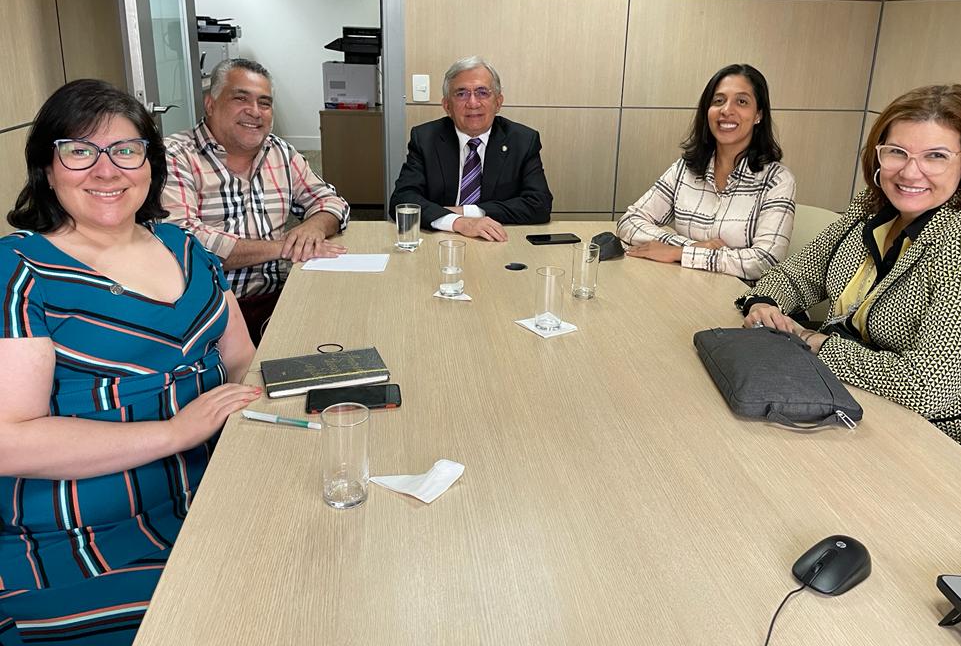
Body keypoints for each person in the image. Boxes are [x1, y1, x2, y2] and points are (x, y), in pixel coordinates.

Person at [0, 80, 259, 646]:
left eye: (125, 149)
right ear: (47, 168)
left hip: (219, 496)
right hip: (84, 534)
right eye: (79, 151)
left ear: (149, 161)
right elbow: (8, 441)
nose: (106, 170)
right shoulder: (19, 272)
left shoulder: (185, 247)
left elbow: (242, 363)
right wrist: (174, 432)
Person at [738, 84, 961, 446]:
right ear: (878, 155)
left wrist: (812, 342)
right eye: (897, 152)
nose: (910, 173)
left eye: (936, 156)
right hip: (856, 401)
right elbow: (798, 275)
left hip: (948, 440)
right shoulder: (871, 207)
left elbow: (927, 388)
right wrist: (765, 304)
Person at [162, 58, 350, 344]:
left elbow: (331, 200)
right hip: (207, 312)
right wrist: (281, 248)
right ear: (210, 103)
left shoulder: (279, 151)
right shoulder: (176, 156)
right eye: (241, 98)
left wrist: (314, 227)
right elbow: (182, 242)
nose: (255, 112)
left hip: (279, 299)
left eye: (265, 103)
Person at [617, 63, 795, 281]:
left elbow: (765, 261)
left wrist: (682, 253)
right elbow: (630, 221)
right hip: (687, 290)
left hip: (741, 303)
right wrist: (691, 246)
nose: (726, 110)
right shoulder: (685, 169)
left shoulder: (777, 180)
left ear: (758, 114)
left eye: (742, 102)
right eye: (718, 101)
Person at [388, 56, 553, 242]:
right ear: (447, 106)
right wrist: (459, 222)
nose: (473, 103)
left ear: (498, 102)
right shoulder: (425, 138)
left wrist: (469, 212)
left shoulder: (523, 140)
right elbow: (402, 200)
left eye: (482, 92)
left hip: (499, 241)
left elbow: (540, 205)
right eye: (461, 93)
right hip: (441, 240)